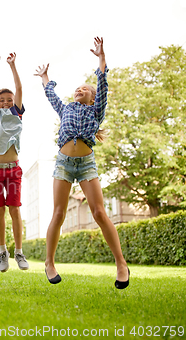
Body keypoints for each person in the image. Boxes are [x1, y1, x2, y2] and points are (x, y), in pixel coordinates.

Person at [35, 37, 130, 289]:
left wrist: (101, 58)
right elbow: (50, 95)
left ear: (92, 98)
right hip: (64, 163)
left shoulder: (96, 110)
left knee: (99, 212)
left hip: (86, 163)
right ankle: (49, 262)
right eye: (77, 88)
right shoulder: (65, 108)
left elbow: (102, 82)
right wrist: (46, 76)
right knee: (58, 213)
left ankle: (121, 264)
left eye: (85, 89)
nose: (80, 89)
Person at [0, 53, 29, 273]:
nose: (5, 102)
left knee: (15, 209)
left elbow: (19, 89)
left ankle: (19, 252)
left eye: (8, 100)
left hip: (13, 171)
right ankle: (2, 251)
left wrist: (13, 65)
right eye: (2, 100)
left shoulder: (17, 114)